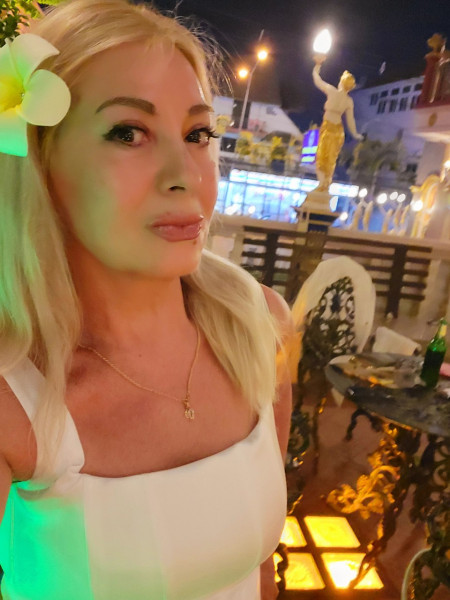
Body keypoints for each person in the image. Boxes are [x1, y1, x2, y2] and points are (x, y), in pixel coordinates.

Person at [0, 1, 294, 598]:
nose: (185, 175)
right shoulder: (16, 399)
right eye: (128, 133)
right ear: (40, 160)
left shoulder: (258, 325)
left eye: (197, 134)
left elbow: (259, 564)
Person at [312, 62, 363, 192]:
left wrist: (317, 66)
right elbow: (350, 120)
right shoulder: (348, 101)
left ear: (341, 82)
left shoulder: (332, 91)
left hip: (328, 128)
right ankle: (325, 184)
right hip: (338, 131)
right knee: (331, 159)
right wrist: (355, 133)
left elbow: (317, 80)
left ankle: (322, 184)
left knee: (321, 157)